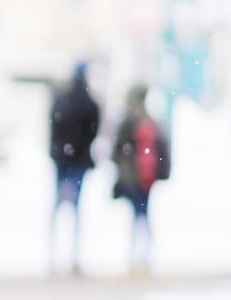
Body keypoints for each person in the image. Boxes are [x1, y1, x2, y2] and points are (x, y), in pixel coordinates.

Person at [47, 60, 101, 275]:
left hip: (62, 160)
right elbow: (93, 130)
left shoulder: (61, 100)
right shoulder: (89, 102)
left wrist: (58, 150)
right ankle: (74, 256)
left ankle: (52, 254)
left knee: (57, 207)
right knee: (76, 210)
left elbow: (53, 127)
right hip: (78, 160)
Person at [111, 83, 170, 274]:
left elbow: (118, 150)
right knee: (145, 214)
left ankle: (134, 255)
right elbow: (162, 148)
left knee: (136, 216)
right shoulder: (150, 120)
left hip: (133, 176)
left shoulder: (128, 121)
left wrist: (123, 170)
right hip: (147, 176)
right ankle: (145, 255)